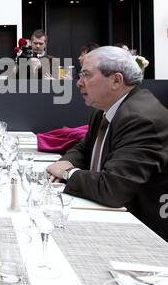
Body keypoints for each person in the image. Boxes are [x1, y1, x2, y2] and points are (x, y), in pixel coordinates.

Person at [47, 46, 168, 241]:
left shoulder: (140, 118)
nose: (79, 83)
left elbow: (112, 189)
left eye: (86, 75)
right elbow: (83, 149)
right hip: (113, 218)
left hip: (145, 236)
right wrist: (67, 163)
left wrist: (67, 173)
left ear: (116, 81)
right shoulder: (105, 109)